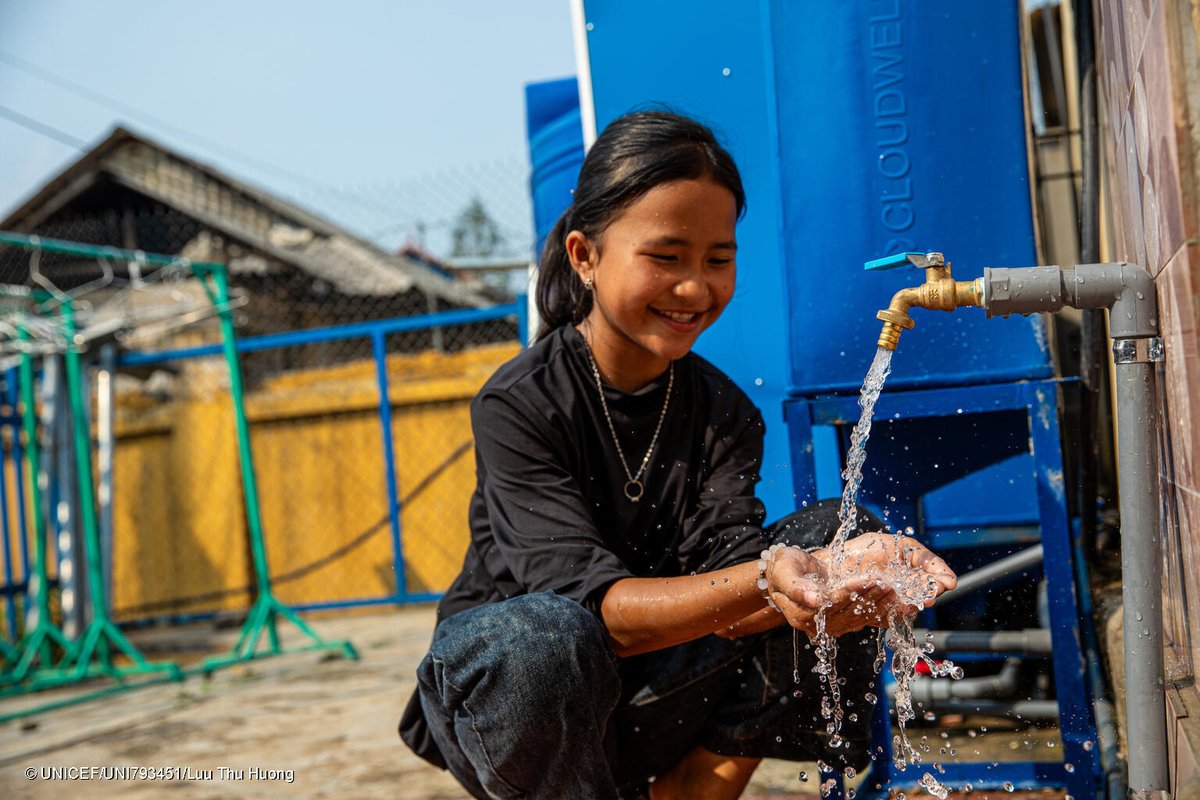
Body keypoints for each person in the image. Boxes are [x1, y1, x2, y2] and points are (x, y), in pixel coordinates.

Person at [398, 110, 958, 800]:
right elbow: (588, 605)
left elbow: (733, 568)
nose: (695, 288)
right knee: (544, 635)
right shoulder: (521, 403)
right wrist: (766, 582)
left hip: (657, 695)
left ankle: (698, 789)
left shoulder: (724, 413)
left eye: (717, 259)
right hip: (516, 703)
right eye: (665, 257)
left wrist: (819, 579)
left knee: (833, 540)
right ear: (586, 257)